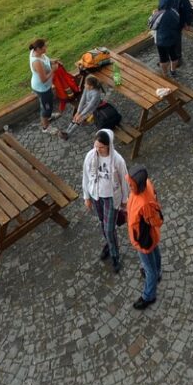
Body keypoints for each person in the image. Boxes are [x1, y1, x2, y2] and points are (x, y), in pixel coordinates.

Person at [81, 128, 129, 273]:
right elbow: (86, 176)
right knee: (103, 223)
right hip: (97, 196)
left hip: (111, 197)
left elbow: (124, 180)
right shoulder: (90, 156)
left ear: (109, 145)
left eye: (101, 147)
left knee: (109, 229)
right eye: (96, 146)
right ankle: (109, 245)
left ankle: (115, 255)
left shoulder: (118, 160)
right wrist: (87, 197)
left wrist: (125, 200)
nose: (98, 149)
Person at [126, 166, 163, 309]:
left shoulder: (145, 203)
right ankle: (157, 273)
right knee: (155, 253)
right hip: (147, 236)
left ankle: (149, 296)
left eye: (131, 184)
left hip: (144, 239)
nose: (129, 186)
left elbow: (156, 220)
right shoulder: (145, 185)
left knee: (149, 269)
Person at [28, 38, 60, 135]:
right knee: (45, 107)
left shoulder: (38, 53)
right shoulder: (37, 62)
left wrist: (52, 60)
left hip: (46, 87)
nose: (46, 48)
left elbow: (46, 59)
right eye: (44, 47)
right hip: (42, 88)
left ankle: (48, 116)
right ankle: (45, 127)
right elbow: (44, 79)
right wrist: (53, 70)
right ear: (38, 49)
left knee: (48, 104)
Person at [152, 0, 185, 77]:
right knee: (174, 56)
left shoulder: (158, 14)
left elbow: (152, 26)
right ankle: (173, 71)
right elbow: (178, 22)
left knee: (163, 59)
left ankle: (165, 73)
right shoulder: (174, 12)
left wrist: (153, 15)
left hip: (161, 40)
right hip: (173, 38)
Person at [66, 73, 105, 140]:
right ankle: (66, 131)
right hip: (87, 105)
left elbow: (90, 106)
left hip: (93, 108)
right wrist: (78, 112)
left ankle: (68, 134)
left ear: (91, 86)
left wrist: (81, 114)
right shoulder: (86, 88)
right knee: (76, 116)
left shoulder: (96, 94)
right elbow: (83, 99)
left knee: (79, 119)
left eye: (86, 84)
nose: (84, 85)